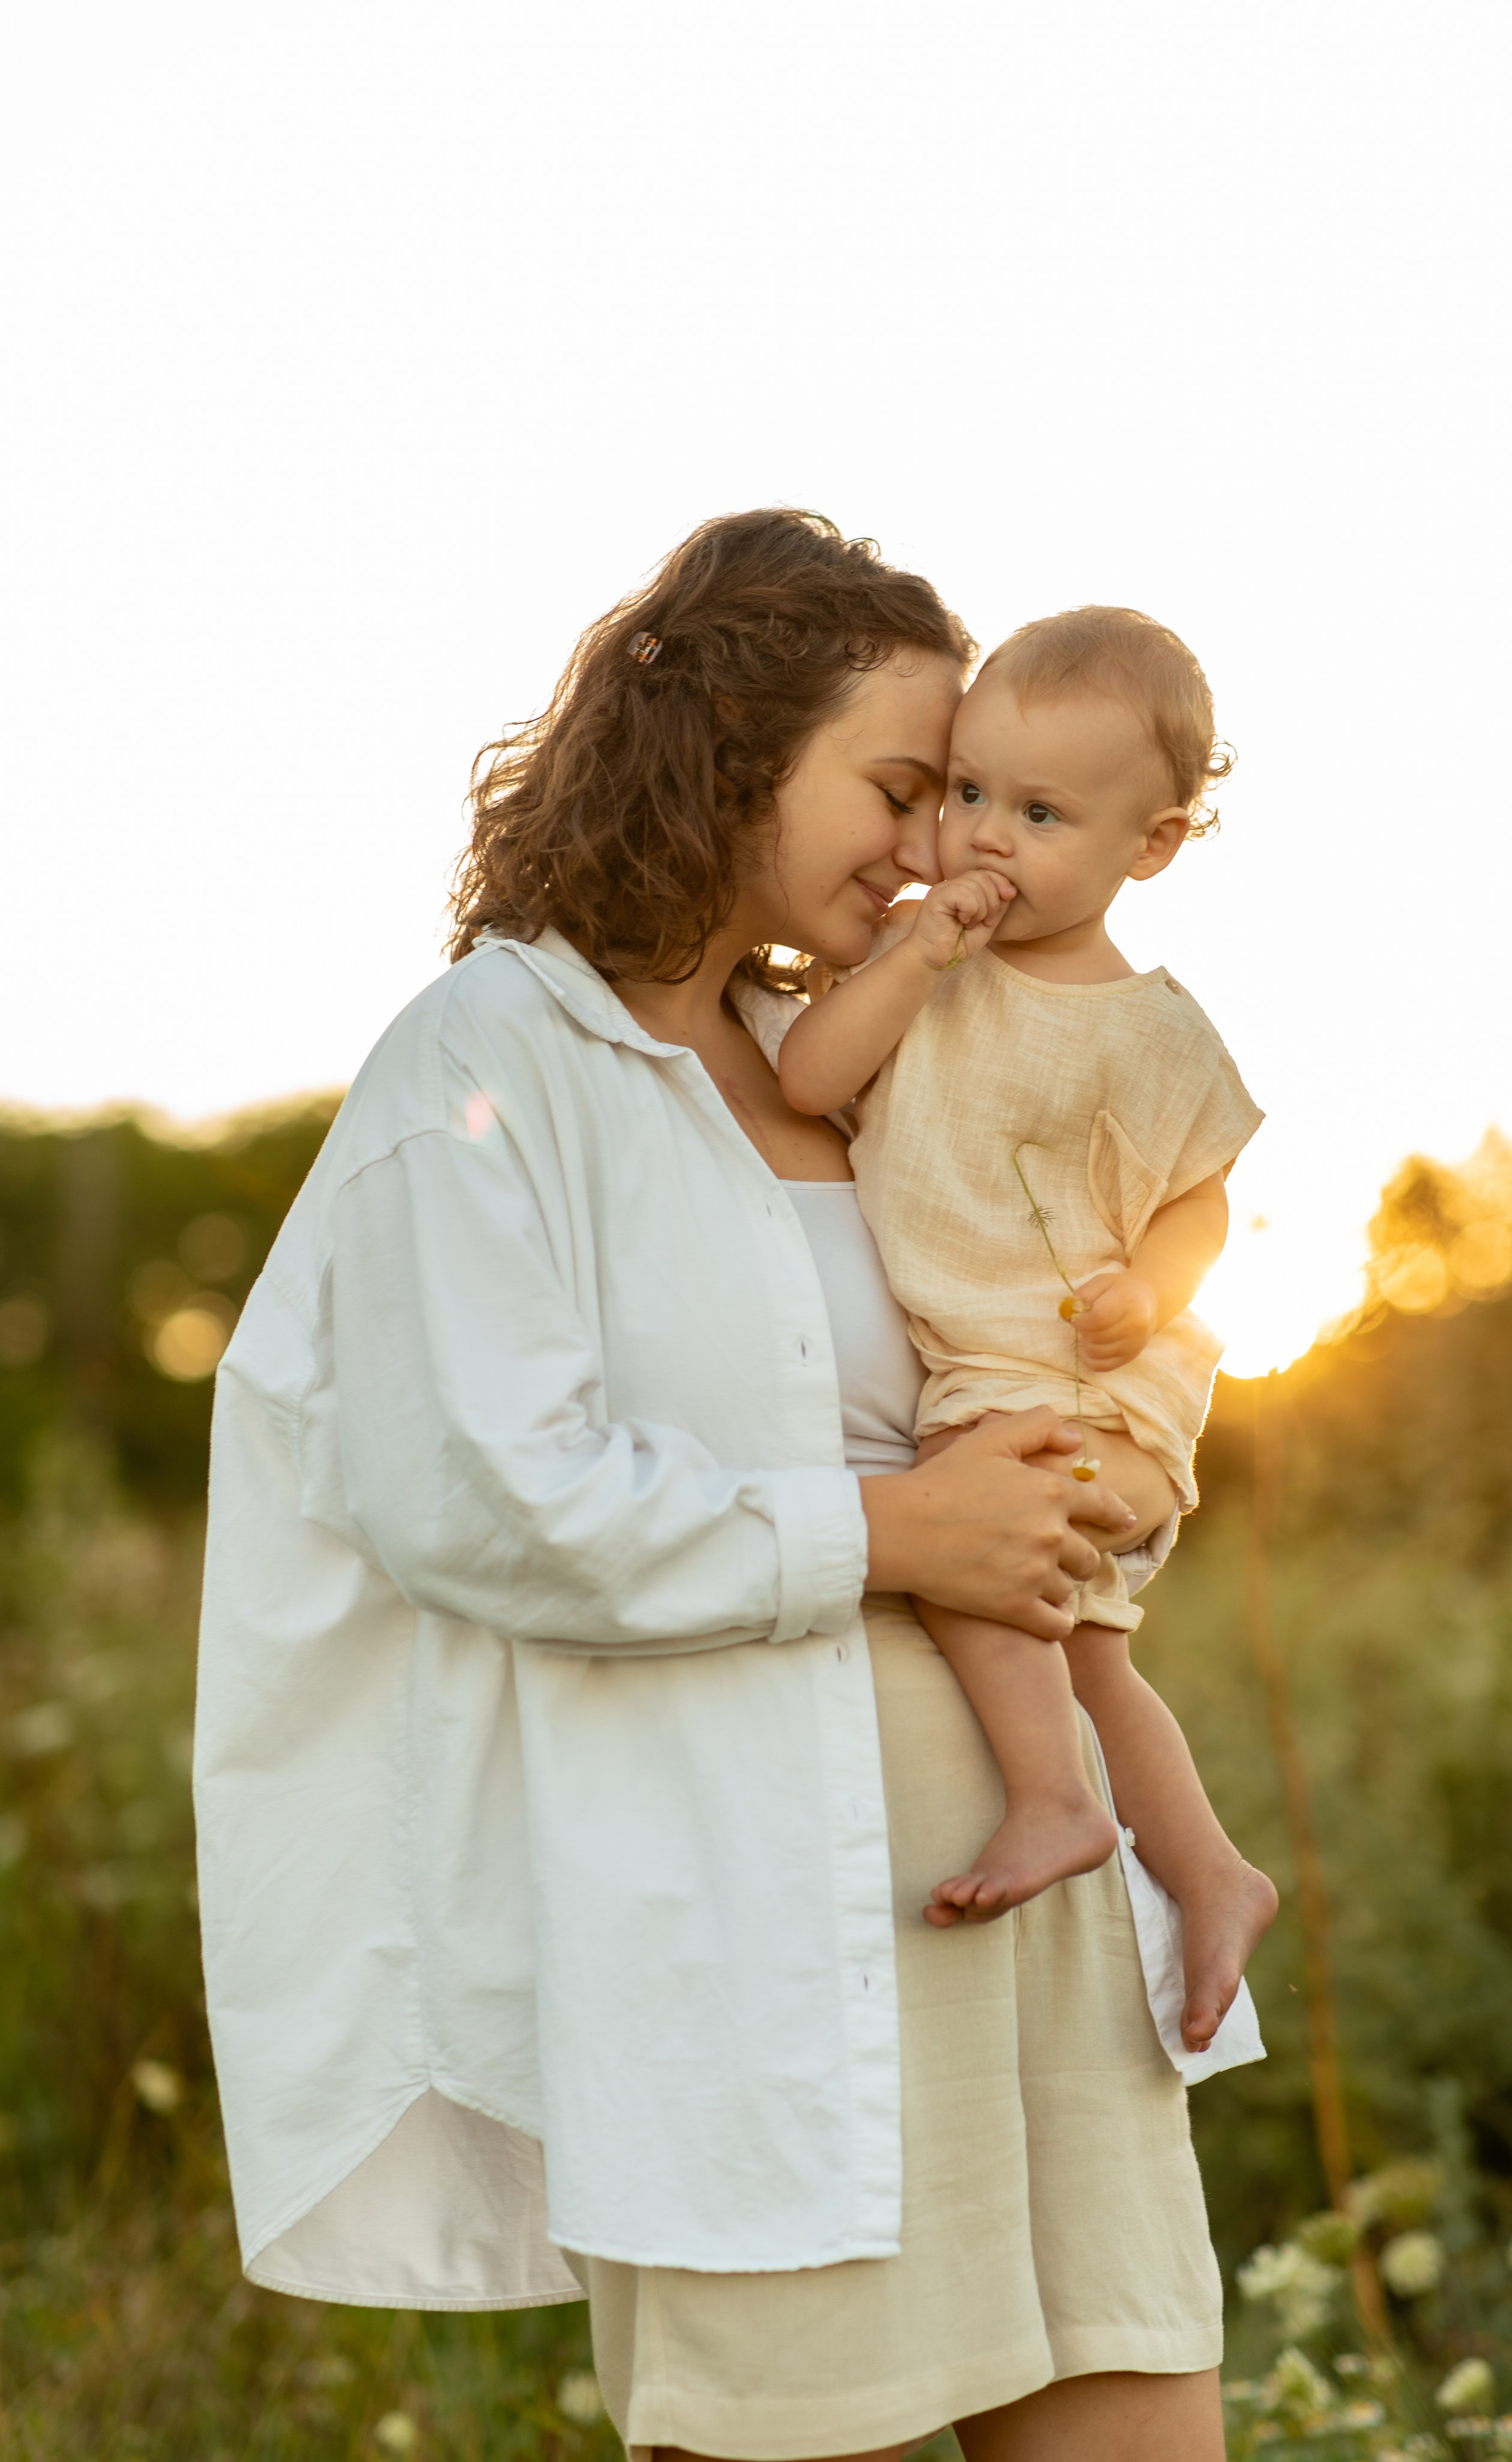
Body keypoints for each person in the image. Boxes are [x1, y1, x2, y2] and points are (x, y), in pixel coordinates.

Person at [195, 512, 1236, 2462]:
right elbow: (483, 1491)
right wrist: (891, 1532)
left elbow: (1081, 1342)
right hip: (753, 1940)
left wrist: (1103, 1478)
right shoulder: (489, 1065)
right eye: (903, 788)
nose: (941, 851)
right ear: (737, 748)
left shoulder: (857, 1058)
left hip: (1038, 1899)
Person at [778, 607, 1278, 2051]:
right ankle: (1206, 1866)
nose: (985, 837)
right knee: (1087, 1656)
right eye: (966, 793)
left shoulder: (1157, 1033)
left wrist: (1156, 1290)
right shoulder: (915, 964)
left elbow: (1201, 1203)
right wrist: (913, 961)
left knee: (960, 1550)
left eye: (1041, 813)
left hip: (1077, 1383)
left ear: (1152, 844)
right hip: (999, 1377)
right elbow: (812, 1077)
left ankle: (1056, 1803)